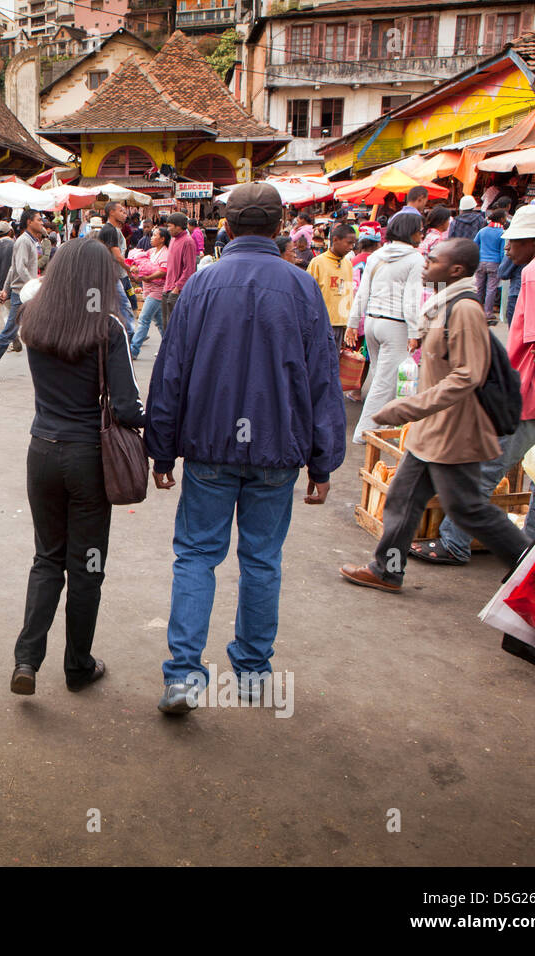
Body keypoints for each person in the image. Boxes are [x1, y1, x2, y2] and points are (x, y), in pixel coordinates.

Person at [147, 183, 345, 715]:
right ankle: (254, 673)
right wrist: (324, 461)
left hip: (210, 448)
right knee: (262, 560)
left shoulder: (201, 285)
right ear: (280, 227)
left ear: (226, 228)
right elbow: (324, 380)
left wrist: (161, 453)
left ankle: (185, 676)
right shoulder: (302, 287)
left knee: (195, 557)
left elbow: (170, 373)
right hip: (277, 451)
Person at [341, 239, 527, 592]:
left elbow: (467, 374)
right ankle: (388, 570)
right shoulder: (445, 303)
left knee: (467, 509)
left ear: (456, 270)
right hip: (432, 430)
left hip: (454, 432)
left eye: (433, 259)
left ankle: (532, 569)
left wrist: (407, 407)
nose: (425, 264)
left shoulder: (465, 310)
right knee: (403, 500)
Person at [413, 204, 535, 565]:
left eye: (515, 242)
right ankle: (532, 554)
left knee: (484, 468)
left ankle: (453, 542)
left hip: (529, 392)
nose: (507, 249)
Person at [8, 238, 144, 697]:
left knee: (46, 558)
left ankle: (26, 660)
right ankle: (77, 667)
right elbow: (127, 406)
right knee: (86, 566)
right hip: (88, 459)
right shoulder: (108, 328)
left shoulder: (33, 320)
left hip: (41, 450)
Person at [345, 212, 424, 443]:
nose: (422, 234)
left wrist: (353, 323)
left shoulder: (377, 255)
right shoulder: (415, 259)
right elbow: (411, 300)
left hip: (372, 322)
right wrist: (414, 332)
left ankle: (382, 424)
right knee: (385, 382)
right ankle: (364, 432)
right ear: (410, 232)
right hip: (395, 326)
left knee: (382, 376)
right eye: (419, 229)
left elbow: (362, 293)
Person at [0, 209, 42, 381]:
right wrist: (33, 285)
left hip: (23, 293)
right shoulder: (23, 242)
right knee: (9, 332)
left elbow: (13, 268)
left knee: (36, 331)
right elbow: (19, 268)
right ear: (29, 222)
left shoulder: (29, 241)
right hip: (23, 295)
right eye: (39, 220)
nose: (42, 223)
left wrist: (5, 289)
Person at [307, 223, 357, 356]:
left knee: (335, 363)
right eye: (349, 243)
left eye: (354, 244)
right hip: (322, 323)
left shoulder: (347, 264)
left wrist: (349, 324)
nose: (351, 247)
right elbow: (308, 293)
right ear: (335, 240)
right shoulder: (317, 263)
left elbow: (348, 294)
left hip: (341, 323)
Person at [128, 226, 169, 360]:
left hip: (157, 291)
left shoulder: (165, 253)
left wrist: (147, 278)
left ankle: (134, 350)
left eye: (155, 235)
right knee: (159, 322)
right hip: (148, 289)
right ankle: (168, 348)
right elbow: (139, 261)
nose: (151, 238)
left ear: (162, 239)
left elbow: (163, 271)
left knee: (144, 319)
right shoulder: (151, 251)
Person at [96, 201, 136, 332]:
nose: (124, 214)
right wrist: (131, 270)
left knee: (112, 305)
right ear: (111, 212)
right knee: (124, 305)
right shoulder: (110, 230)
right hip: (109, 275)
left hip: (107, 274)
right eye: (121, 211)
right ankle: (129, 332)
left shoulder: (111, 229)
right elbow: (118, 256)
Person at [161, 212, 198, 332]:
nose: (168, 229)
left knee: (176, 327)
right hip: (167, 288)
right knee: (166, 326)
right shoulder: (173, 240)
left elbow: (189, 269)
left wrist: (177, 288)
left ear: (178, 226)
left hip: (177, 291)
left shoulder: (188, 242)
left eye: (170, 226)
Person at [474, 208, 508, 319]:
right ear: (501, 219)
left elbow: (475, 245)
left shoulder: (482, 231)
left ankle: (476, 310)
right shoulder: (502, 233)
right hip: (494, 263)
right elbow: (503, 252)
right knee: (491, 289)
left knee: (479, 287)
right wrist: (503, 265)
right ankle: (488, 312)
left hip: (480, 262)